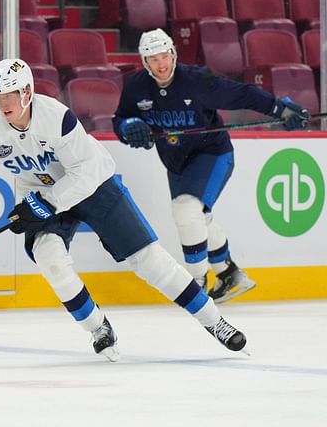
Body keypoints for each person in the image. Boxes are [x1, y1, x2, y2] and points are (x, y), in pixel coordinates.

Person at [0, 58, 249, 362]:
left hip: (92, 184)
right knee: (49, 257)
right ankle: (98, 328)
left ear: (27, 92)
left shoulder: (57, 118)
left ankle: (215, 322)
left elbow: (84, 172)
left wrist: (47, 203)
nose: (3, 104)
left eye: (9, 95)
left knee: (149, 260)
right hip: (40, 193)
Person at [112, 28, 311, 304]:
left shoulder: (197, 80)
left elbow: (241, 94)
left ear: (174, 53)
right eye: (154, 58)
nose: (162, 63)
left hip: (213, 153)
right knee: (197, 216)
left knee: (185, 210)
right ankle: (229, 274)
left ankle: (195, 283)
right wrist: (128, 127)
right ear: (145, 62)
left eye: (165, 55)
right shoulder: (136, 88)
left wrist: (280, 109)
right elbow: (121, 119)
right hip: (176, 162)